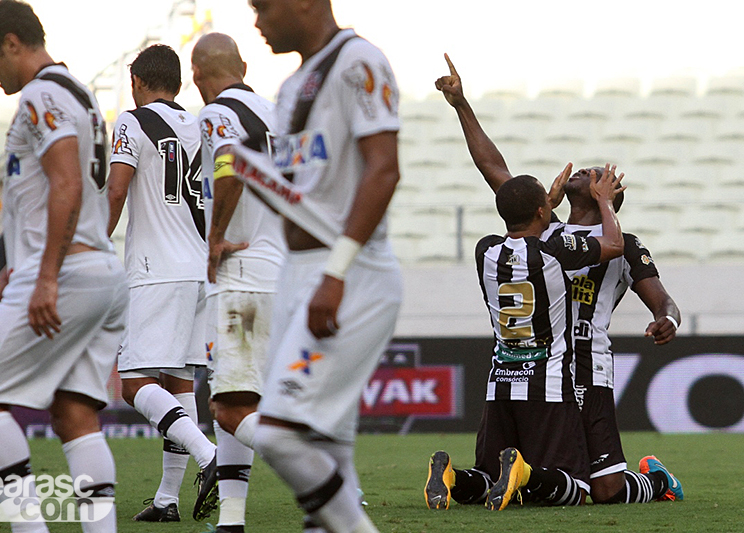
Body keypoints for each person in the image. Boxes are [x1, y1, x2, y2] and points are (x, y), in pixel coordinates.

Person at [425, 54, 683, 508]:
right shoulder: (548, 234)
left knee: (604, 488)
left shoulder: (625, 244)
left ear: (612, 195)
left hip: (589, 365)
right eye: (585, 170)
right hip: (546, 365)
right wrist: (462, 106)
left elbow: (663, 300)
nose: (586, 171)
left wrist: (668, 320)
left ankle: (657, 479)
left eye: (599, 174)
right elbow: (497, 174)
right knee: (558, 478)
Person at [0, 1, 126, 531]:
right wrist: (12, 270)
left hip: (66, 273)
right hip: (99, 269)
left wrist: (45, 276)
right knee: (74, 414)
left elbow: (66, 185)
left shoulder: (41, 94)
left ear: (12, 42)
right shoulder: (77, 92)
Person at [247, 1, 403, 531]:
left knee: (276, 434)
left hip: (349, 273)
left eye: (262, 5)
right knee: (327, 447)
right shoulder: (292, 86)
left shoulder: (359, 61)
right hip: (298, 270)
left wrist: (336, 272)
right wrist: (256, 176)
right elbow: (307, 193)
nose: (257, 19)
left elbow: (384, 171)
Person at [430, 165, 625, 512]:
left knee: (488, 476)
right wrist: (605, 201)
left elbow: (514, 207)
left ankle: (452, 477)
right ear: (541, 212)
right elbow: (613, 243)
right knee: (576, 488)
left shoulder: (485, 251)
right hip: (546, 383)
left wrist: (543, 203)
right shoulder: (553, 252)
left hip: (500, 382)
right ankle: (523, 475)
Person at [106, 44, 219, 522]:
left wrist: (92, 245)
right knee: (179, 384)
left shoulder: (131, 122)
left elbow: (116, 188)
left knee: (133, 383)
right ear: (178, 82)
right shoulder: (202, 127)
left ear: (137, 82)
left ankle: (210, 455)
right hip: (200, 273)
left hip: (156, 271)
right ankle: (167, 500)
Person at [190, 32, 285, 531]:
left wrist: (217, 236)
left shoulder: (214, 114)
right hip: (283, 273)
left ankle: (319, 469)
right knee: (238, 397)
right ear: (244, 65)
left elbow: (229, 163)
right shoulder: (277, 114)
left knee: (225, 409)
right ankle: (231, 518)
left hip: (241, 277)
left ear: (197, 76)